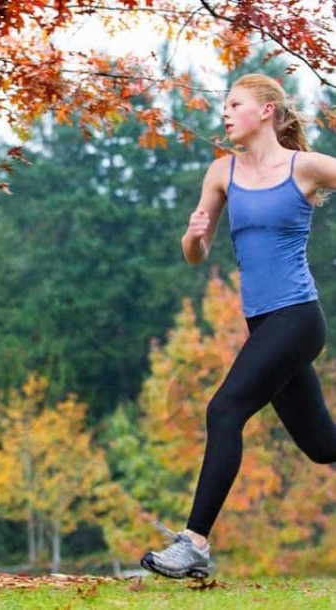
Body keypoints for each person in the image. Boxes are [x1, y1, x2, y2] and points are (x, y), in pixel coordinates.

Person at [140, 73, 336, 579]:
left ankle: (194, 544)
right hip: (264, 323)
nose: (224, 114)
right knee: (322, 447)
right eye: (224, 106)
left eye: (234, 104)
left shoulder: (305, 167)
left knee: (223, 410)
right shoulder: (221, 173)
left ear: (266, 111)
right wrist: (193, 235)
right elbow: (195, 256)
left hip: (297, 317)